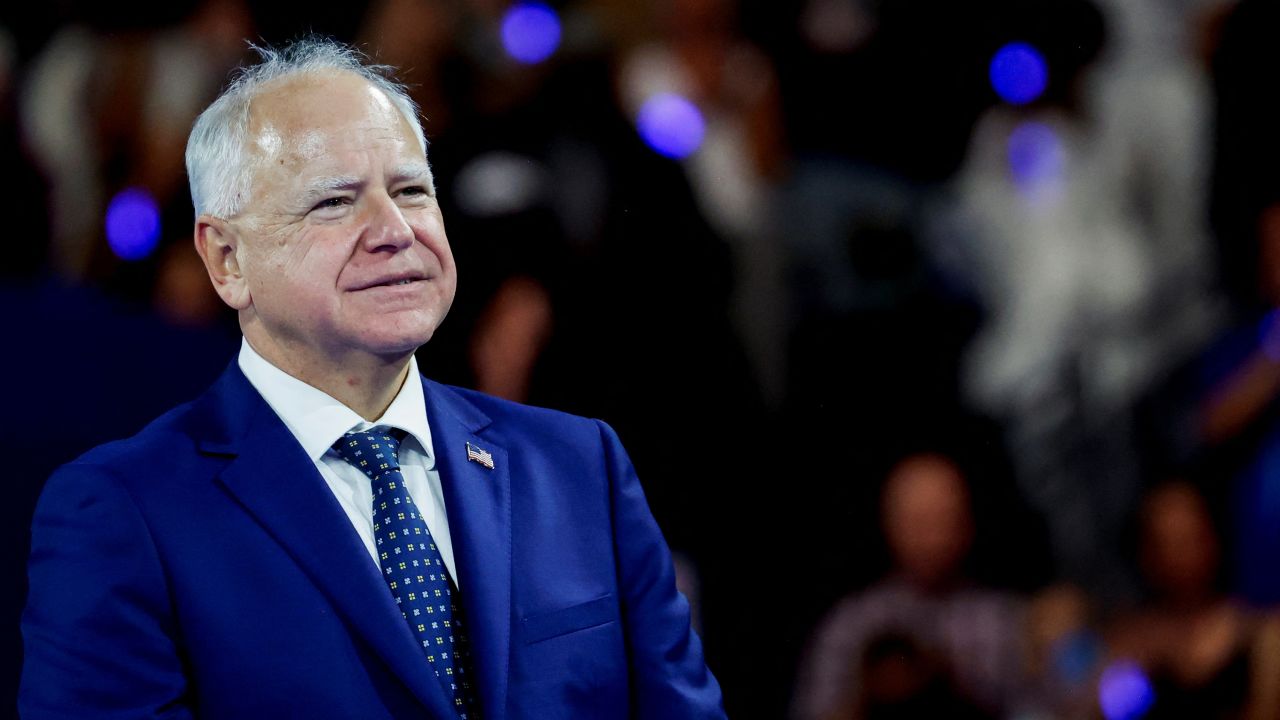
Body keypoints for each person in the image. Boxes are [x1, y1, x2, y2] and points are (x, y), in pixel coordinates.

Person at [19, 38, 724, 719]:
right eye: (334, 201)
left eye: (412, 190)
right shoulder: (123, 514)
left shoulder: (581, 468)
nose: (394, 229)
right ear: (227, 259)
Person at [790, 453, 1026, 720]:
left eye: (944, 519)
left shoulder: (1007, 621)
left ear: (967, 522)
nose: (933, 539)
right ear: (890, 523)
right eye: (920, 522)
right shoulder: (852, 625)